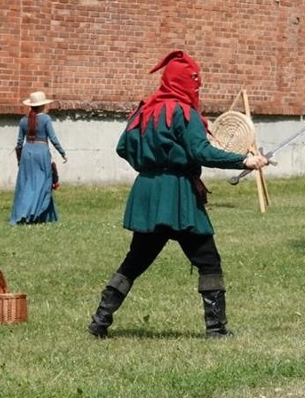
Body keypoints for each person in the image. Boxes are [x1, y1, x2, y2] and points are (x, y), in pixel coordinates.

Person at [88, 50, 268, 339]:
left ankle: (100, 320)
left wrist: (149, 165)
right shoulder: (184, 113)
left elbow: (123, 147)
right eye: (194, 82)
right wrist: (244, 161)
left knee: (135, 260)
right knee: (208, 260)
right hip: (178, 195)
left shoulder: (144, 109)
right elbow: (201, 152)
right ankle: (216, 328)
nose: (196, 88)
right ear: (185, 82)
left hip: (148, 191)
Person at [9, 91, 68, 225]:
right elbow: (53, 138)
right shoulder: (46, 119)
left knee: (27, 184)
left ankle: (35, 214)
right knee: (43, 184)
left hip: (27, 153)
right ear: (42, 106)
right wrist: (62, 152)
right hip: (41, 152)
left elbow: (19, 143)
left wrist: (19, 159)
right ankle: (31, 214)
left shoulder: (23, 121)